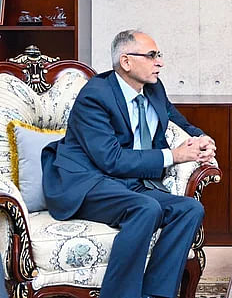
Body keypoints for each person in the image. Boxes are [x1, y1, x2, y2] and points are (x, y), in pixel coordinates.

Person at [42, 30, 216, 298]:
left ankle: (155, 294)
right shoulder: (95, 96)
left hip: (129, 182)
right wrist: (174, 155)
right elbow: (110, 160)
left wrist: (201, 138)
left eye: (159, 55)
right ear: (126, 61)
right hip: (86, 182)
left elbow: (178, 121)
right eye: (152, 56)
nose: (160, 62)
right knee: (146, 208)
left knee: (190, 209)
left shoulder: (154, 89)